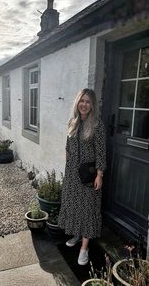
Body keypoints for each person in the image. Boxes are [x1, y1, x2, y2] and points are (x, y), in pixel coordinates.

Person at [58, 88, 106, 266]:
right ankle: (77, 235)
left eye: (87, 102)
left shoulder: (97, 125)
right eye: (81, 101)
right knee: (74, 206)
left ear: (92, 105)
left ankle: (84, 248)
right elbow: (67, 148)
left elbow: (101, 153)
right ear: (77, 102)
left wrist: (99, 175)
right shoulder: (73, 122)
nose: (84, 104)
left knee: (87, 209)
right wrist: (68, 168)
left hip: (88, 175)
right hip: (72, 173)